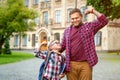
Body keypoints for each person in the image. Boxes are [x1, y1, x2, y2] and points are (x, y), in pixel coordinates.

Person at [60, 6, 108, 80]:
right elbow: (62, 46)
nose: (75, 20)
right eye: (72, 19)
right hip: (71, 64)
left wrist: (93, 11)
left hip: (85, 64)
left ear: (81, 17)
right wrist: (50, 51)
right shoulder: (67, 31)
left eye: (77, 18)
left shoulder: (89, 27)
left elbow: (104, 21)